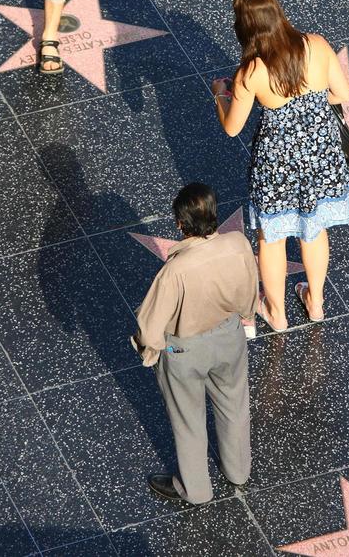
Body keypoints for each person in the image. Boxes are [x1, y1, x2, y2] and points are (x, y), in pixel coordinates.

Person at [213, 0, 349, 332]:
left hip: (277, 164)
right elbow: (343, 92)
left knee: (272, 237)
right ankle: (317, 303)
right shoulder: (317, 44)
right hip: (321, 155)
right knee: (314, 230)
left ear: (244, 27)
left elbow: (233, 128)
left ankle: (276, 314)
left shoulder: (252, 72)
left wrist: (220, 95)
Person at [131, 182, 259, 505]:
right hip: (229, 336)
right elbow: (249, 295)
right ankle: (238, 471)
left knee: (188, 421)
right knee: (234, 406)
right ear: (214, 214)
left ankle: (197, 490)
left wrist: (154, 351)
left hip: (183, 350)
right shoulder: (238, 244)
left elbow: (149, 329)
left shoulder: (174, 271)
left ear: (179, 224)